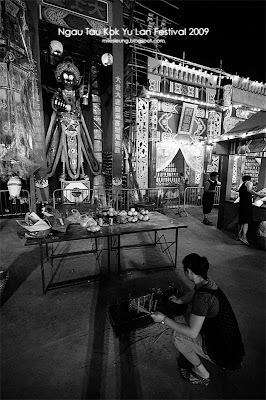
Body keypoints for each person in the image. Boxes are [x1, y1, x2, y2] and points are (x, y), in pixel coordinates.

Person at [150, 253, 245, 386]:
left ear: (188, 271)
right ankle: (221, 360)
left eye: (184, 270)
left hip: (225, 357)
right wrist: (179, 300)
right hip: (234, 351)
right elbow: (194, 292)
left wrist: (163, 319)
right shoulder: (208, 283)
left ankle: (202, 374)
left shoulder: (202, 298)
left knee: (178, 335)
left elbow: (192, 333)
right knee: (189, 316)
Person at [237, 175, 264, 245]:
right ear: (249, 179)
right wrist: (258, 194)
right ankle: (244, 237)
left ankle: (239, 235)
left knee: (241, 219)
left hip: (241, 203)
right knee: (246, 220)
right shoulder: (248, 182)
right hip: (246, 204)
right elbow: (249, 190)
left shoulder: (242, 185)